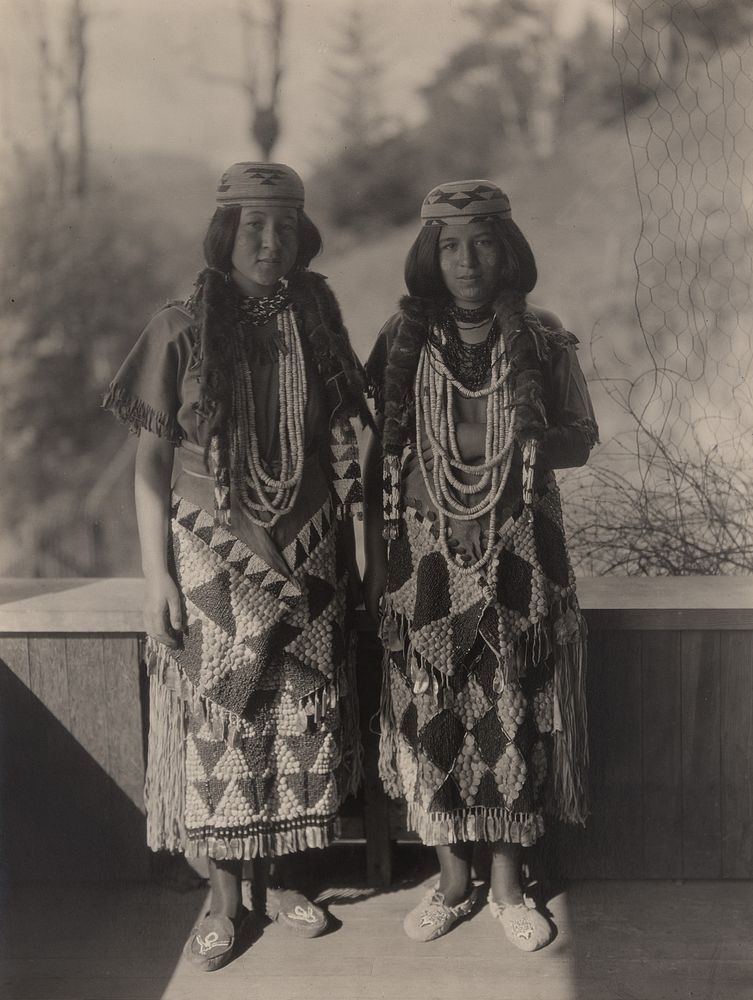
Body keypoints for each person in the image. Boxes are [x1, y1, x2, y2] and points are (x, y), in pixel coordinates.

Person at [104, 162, 371, 971]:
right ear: (224, 236)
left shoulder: (316, 321)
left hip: (313, 551)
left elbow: (345, 442)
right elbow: (149, 468)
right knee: (222, 718)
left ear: (302, 236)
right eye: (253, 227)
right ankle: (225, 896)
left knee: (301, 716)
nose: (269, 242)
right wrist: (157, 579)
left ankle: (285, 876)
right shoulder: (180, 327)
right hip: (212, 559)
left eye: (284, 227)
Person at [363, 180, 598, 950]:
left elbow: (577, 438)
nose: (466, 261)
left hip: (518, 549)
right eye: (449, 245)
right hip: (421, 557)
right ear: (428, 254)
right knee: (426, 706)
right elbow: (379, 456)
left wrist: (501, 446)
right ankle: (452, 879)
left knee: (514, 704)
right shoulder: (401, 343)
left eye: (483, 242)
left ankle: (506, 885)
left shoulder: (540, 335)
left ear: (509, 250)